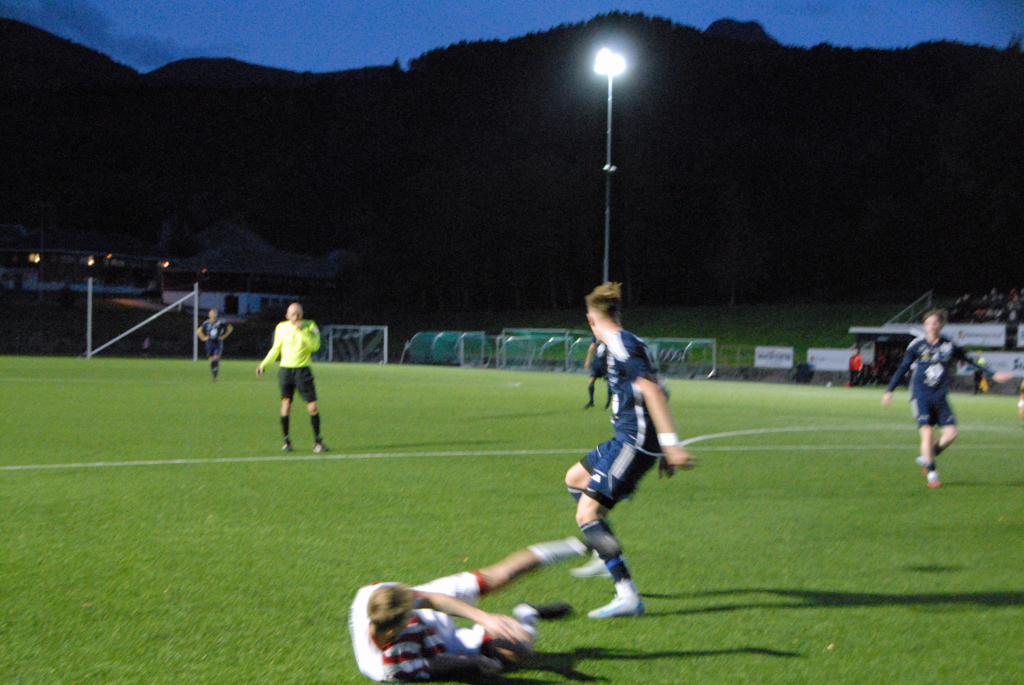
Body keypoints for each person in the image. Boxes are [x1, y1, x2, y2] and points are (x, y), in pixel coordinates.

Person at [565, 282, 696, 618]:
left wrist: (670, 445)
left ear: (590, 319)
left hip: (633, 441)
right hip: (625, 437)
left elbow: (653, 390)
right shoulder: (618, 342)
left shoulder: (622, 343)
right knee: (575, 478)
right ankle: (603, 551)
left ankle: (628, 596)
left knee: (587, 514)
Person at [349, 537, 586, 682]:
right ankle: (528, 613)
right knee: (520, 652)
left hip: (429, 612)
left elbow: (432, 599)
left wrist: (485, 617)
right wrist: (473, 663)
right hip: (440, 644)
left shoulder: (380, 598)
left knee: (497, 577)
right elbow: (437, 665)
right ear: (394, 630)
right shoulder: (387, 667)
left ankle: (583, 544)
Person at [881, 309, 1012, 488]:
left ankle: (926, 458)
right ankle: (932, 474)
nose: (932, 326)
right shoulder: (917, 345)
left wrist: (993, 374)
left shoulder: (949, 346)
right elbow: (903, 367)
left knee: (951, 433)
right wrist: (890, 390)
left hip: (940, 395)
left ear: (941, 325)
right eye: (928, 323)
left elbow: (970, 360)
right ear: (924, 325)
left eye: (935, 323)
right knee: (927, 433)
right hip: (921, 395)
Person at [256, 302, 328, 452]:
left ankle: (317, 442)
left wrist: (303, 331)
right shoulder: (281, 327)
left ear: (302, 314)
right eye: (293, 314)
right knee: (286, 405)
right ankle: (287, 442)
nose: (296, 317)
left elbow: (314, 346)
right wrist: (264, 365)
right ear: (287, 315)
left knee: (313, 407)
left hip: (303, 371)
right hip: (286, 371)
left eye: (298, 314)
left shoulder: (310, 325)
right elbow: (276, 349)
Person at [196, 308, 233, 381]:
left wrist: (224, 336)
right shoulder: (206, 323)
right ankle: (214, 374)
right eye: (211, 313)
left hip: (217, 344)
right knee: (212, 361)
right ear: (209, 315)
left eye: (214, 313)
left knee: (215, 360)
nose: (213, 315)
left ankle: (215, 377)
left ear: (216, 314)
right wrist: (203, 338)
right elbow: (198, 331)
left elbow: (230, 328)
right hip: (209, 344)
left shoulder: (221, 322)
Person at [582, 336, 612, 410]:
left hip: (606, 364)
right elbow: (591, 347)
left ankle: (608, 404)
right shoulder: (596, 335)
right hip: (597, 363)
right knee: (591, 381)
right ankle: (591, 401)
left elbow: (613, 349)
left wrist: (611, 362)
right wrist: (587, 360)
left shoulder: (609, 335)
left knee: (609, 384)